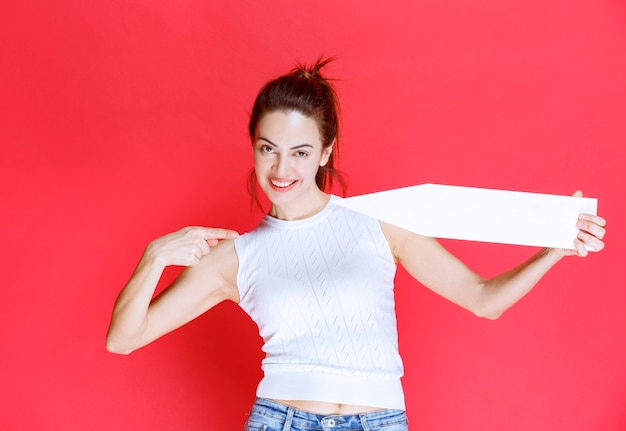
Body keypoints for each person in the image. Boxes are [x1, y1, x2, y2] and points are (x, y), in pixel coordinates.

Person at [106, 58, 607, 431]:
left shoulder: (381, 223)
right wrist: (154, 258)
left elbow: (483, 299)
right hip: (282, 421)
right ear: (254, 147)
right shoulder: (234, 258)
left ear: (324, 151)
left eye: (300, 152)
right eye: (268, 149)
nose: (282, 170)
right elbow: (123, 339)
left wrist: (553, 249)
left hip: (381, 421)